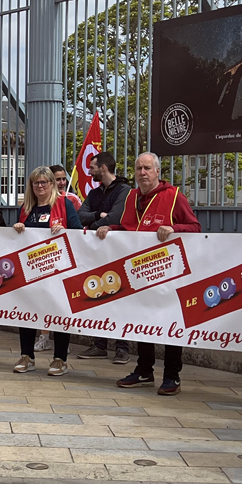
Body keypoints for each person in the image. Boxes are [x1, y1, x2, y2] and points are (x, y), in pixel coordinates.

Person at [97, 152, 200, 395]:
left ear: (157, 172)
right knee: (142, 322)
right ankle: (144, 371)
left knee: (171, 323)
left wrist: (173, 227)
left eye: (147, 168)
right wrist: (109, 228)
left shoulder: (173, 196)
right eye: (138, 168)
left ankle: (172, 376)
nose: (142, 173)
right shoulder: (132, 196)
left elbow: (195, 227)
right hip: (139, 274)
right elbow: (127, 227)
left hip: (169, 274)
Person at [12, 166, 81, 375]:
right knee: (27, 311)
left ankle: (60, 359)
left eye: (44, 182)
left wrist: (65, 231)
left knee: (59, 312)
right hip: (30, 271)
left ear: (52, 184)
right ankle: (27, 355)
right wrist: (17, 229)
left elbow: (79, 233)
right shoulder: (26, 209)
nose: (40, 186)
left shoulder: (64, 205)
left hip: (58, 271)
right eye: (36, 183)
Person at [76, 152, 132, 363]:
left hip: (119, 252)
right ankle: (99, 344)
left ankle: (122, 347)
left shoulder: (124, 190)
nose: (89, 171)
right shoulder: (95, 192)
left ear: (104, 168)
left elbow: (117, 217)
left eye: (93, 167)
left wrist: (92, 223)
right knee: (97, 294)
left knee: (119, 297)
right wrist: (98, 217)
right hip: (98, 253)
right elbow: (80, 214)